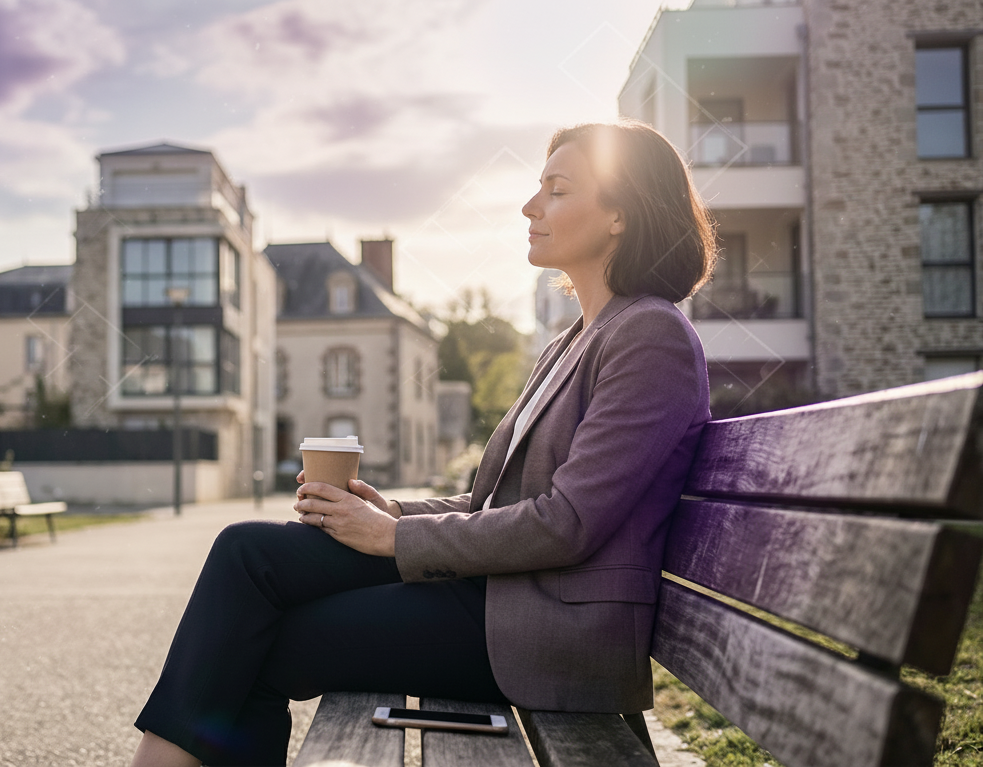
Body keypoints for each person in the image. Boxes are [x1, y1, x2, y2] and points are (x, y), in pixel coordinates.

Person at [129, 120, 716, 767]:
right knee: (245, 550)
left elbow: (567, 524)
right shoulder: (571, 343)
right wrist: (393, 514)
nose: (530, 206)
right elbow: (491, 502)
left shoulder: (650, 339)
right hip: (501, 592)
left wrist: (394, 540)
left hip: (546, 630)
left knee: (264, 645)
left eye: (556, 189)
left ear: (620, 216)